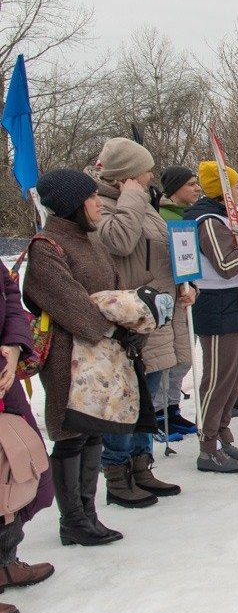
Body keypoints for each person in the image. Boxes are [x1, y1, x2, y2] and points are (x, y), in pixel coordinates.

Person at [23, 169, 127, 545]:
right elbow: (74, 307)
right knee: (71, 432)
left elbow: (116, 289)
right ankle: (73, 521)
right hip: (67, 357)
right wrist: (114, 321)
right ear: (72, 204)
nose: (98, 202)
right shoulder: (46, 247)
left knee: (92, 429)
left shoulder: (91, 240)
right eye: (91, 197)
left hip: (99, 356)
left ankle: (89, 513)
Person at [89, 137, 185, 507]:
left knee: (147, 394)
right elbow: (120, 242)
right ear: (126, 175)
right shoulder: (101, 206)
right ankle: (116, 472)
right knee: (125, 398)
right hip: (127, 317)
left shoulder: (143, 204)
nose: (150, 175)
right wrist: (130, 198)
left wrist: (183, 284)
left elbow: (163, 250)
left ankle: (142, 465)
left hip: (157, 314)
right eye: (144, 169)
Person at [184, 160, 238, 473]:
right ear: (223, 191)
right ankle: (207, 446)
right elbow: (225, 265)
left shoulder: (223, 217)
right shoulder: (207, 220)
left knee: (231, 378)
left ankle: (221, 435)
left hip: (233, 301)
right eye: (237, 185)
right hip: (215, 303)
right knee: (217, 378)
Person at [0, 256, 56, 613]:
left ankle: (5, 563)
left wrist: (14, 345)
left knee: (17, 471)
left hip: (3, 376)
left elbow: (9, 294)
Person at [156, 165, 202, 436]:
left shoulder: (188, 216)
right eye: (191, 184)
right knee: (169, 357)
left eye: (197, 183)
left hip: (186, 296)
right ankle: (159, 412)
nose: (196, 189)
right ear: (175, 188)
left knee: (184, 356)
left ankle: (172, 408)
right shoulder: (160, 216)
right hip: (165, 298)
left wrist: (193, 285)